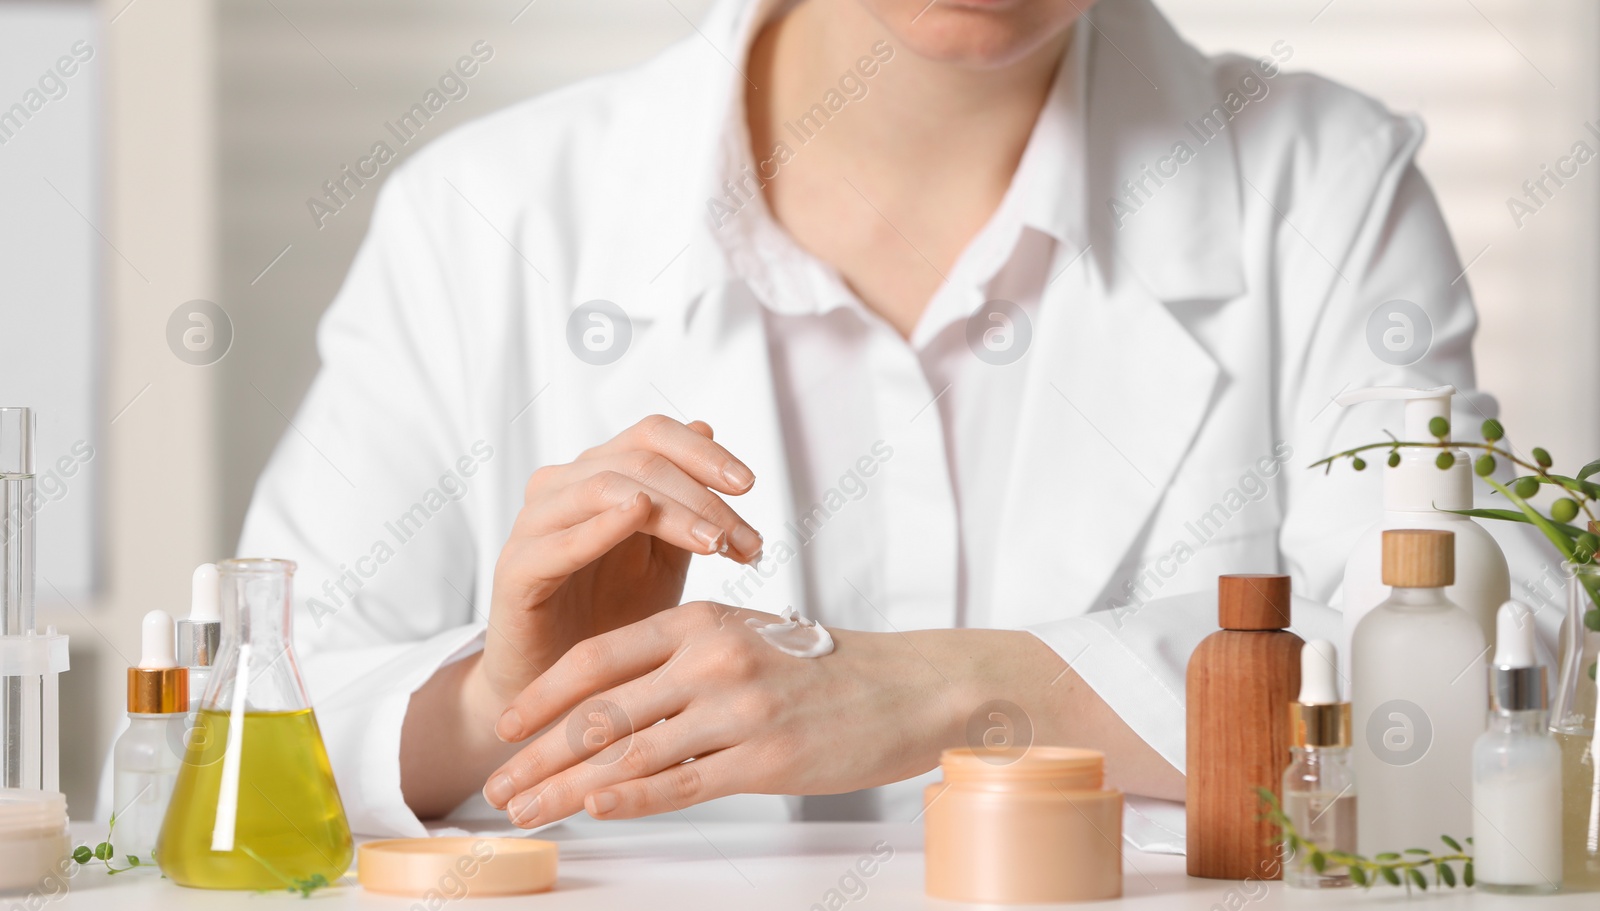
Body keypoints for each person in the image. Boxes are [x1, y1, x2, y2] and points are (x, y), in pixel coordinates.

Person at [239, 0, 1548, 838]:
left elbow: (1486, 671)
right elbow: (255, 719)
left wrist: (959, 689)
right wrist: (495, 700)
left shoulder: (1324, 184)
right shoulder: (488, 214)